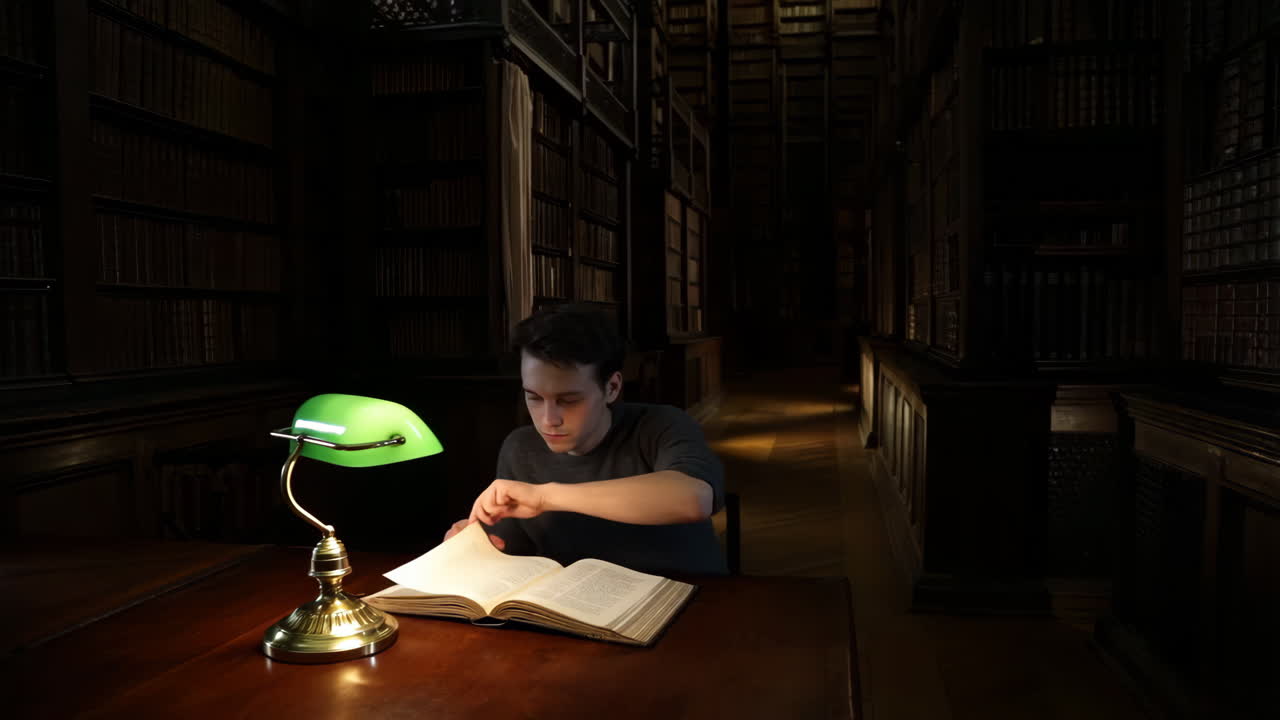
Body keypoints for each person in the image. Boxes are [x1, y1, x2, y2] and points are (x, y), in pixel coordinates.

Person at [443, 304, 728, 576]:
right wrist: (476, 545)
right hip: (575, 601)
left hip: (688, 597)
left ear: (612, 387)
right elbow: (512, 549)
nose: (548, 420)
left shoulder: (661, 425)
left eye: (568, 400)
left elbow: (694, 499)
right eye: (534, 398)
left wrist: (544, 497)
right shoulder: (520, 447)